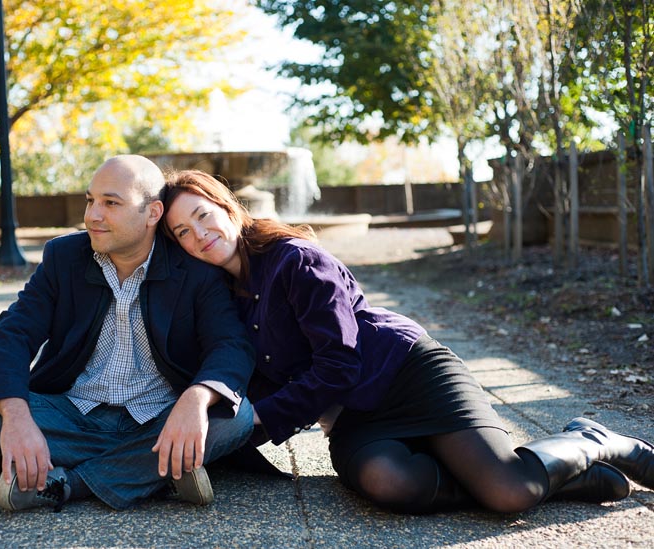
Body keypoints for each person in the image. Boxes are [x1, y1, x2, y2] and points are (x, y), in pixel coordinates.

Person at [161, 169, 654, 514]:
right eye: (183, 231)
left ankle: (592, 440)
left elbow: (339, 364)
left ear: (227, 207)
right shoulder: (224, 299)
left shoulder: (296, 260)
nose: (199, 233)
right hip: (354, 415)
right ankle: (561, 479)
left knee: (510, 494)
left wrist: (260, 421)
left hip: (407, 374)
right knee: (392, 484)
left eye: (204, 215)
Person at [0, 156, 255, 512]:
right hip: (73, 415)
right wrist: (19, 417)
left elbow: (230, 344)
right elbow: (13, 333)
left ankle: (67, 483)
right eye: (90, 201)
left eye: (111, 203)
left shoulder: (194, 270)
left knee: (235, 417)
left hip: (161, 416)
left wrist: (195, 400)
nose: (92, 216)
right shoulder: (63, 257)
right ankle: (159, 469)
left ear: (153, 213)